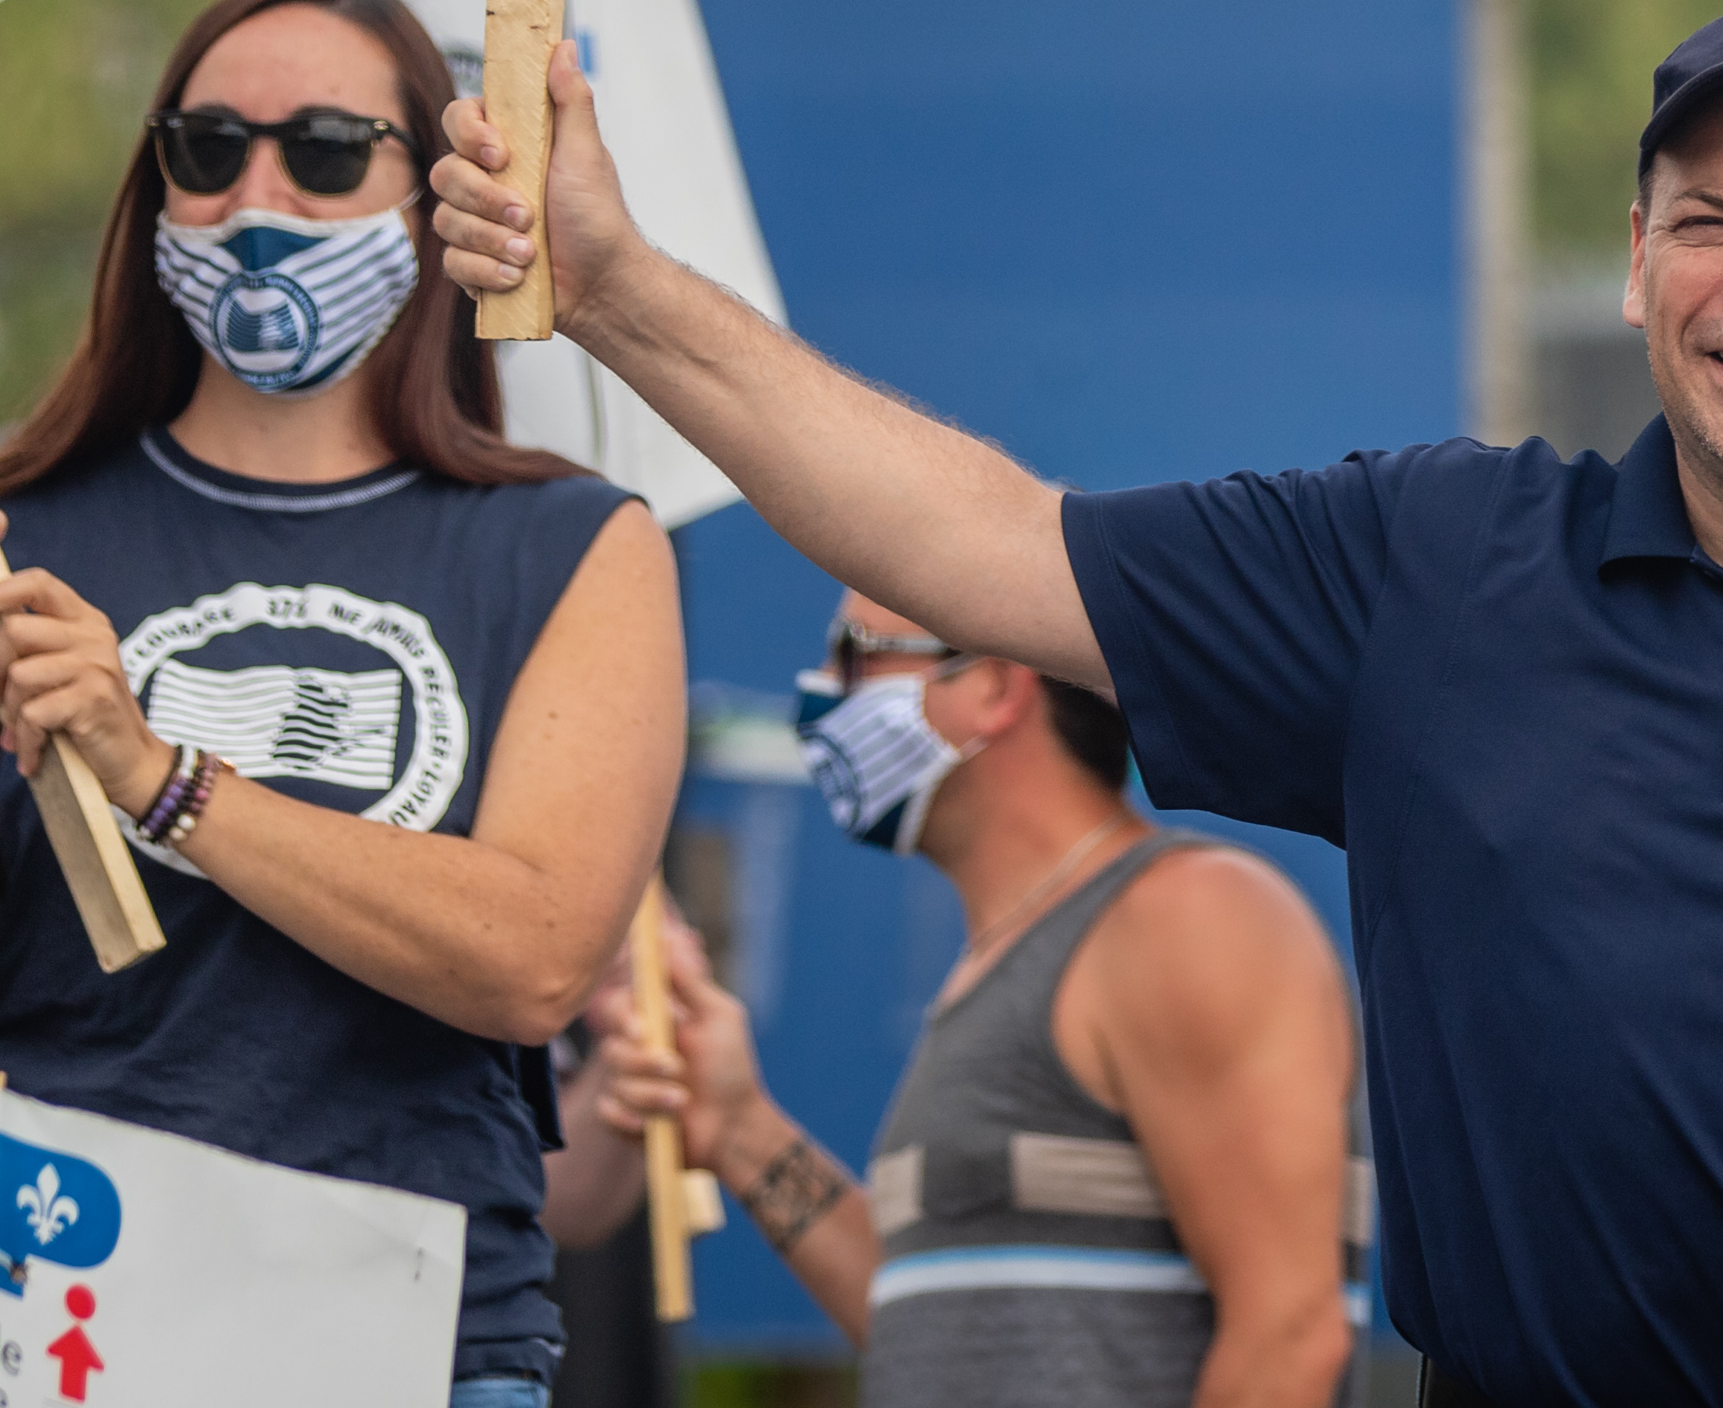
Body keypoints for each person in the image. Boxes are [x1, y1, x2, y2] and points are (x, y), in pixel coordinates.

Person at [431, 0, 1723, 1408]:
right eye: (1707, 217)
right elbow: (982, 549)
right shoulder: (1442, 569)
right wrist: (607, 280)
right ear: (1635, 256)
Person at [0, 0, 686, 1408]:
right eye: (205, 148)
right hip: (62, 1334)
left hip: (417, 1340)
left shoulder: (572, 544)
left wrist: (166, 779)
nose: (254, 193)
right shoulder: (12, 525)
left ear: (435, 188)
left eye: (328, 148)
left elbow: (530, 954)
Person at [579, 593, 1365, 1408]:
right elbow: (935, 1339)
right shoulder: (1010, 957)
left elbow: (1291, 1336)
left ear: (993, 683)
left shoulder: (1182, 915)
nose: (821, 689)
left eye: (858, 651)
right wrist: (741, 1131)